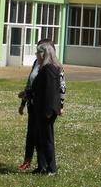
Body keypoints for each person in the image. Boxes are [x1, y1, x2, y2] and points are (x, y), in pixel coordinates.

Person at [27, 40, 65, 175]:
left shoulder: (49, 69)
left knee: (47, 139)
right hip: (40, 109)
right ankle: (42, 166)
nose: (37, 54)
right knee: (40, 138)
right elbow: (38, 88)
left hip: (46, 110)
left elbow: (51, 92)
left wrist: (49, 111)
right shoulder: (44, 68)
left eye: (38, 52)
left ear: (45, 54)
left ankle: (52, 168)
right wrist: (27, 94)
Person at [18, 37, 54, 171]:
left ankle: (43, 165)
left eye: (40, 50)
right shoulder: (35, 63)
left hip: (43, 107)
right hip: (32, 105)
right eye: (37, 50)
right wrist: (23, 103)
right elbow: (30, 83)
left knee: (42, 136)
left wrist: (59, 106)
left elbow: (59, 89)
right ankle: (28, 161)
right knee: (31, 134)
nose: (38, 53)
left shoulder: (52, 66)